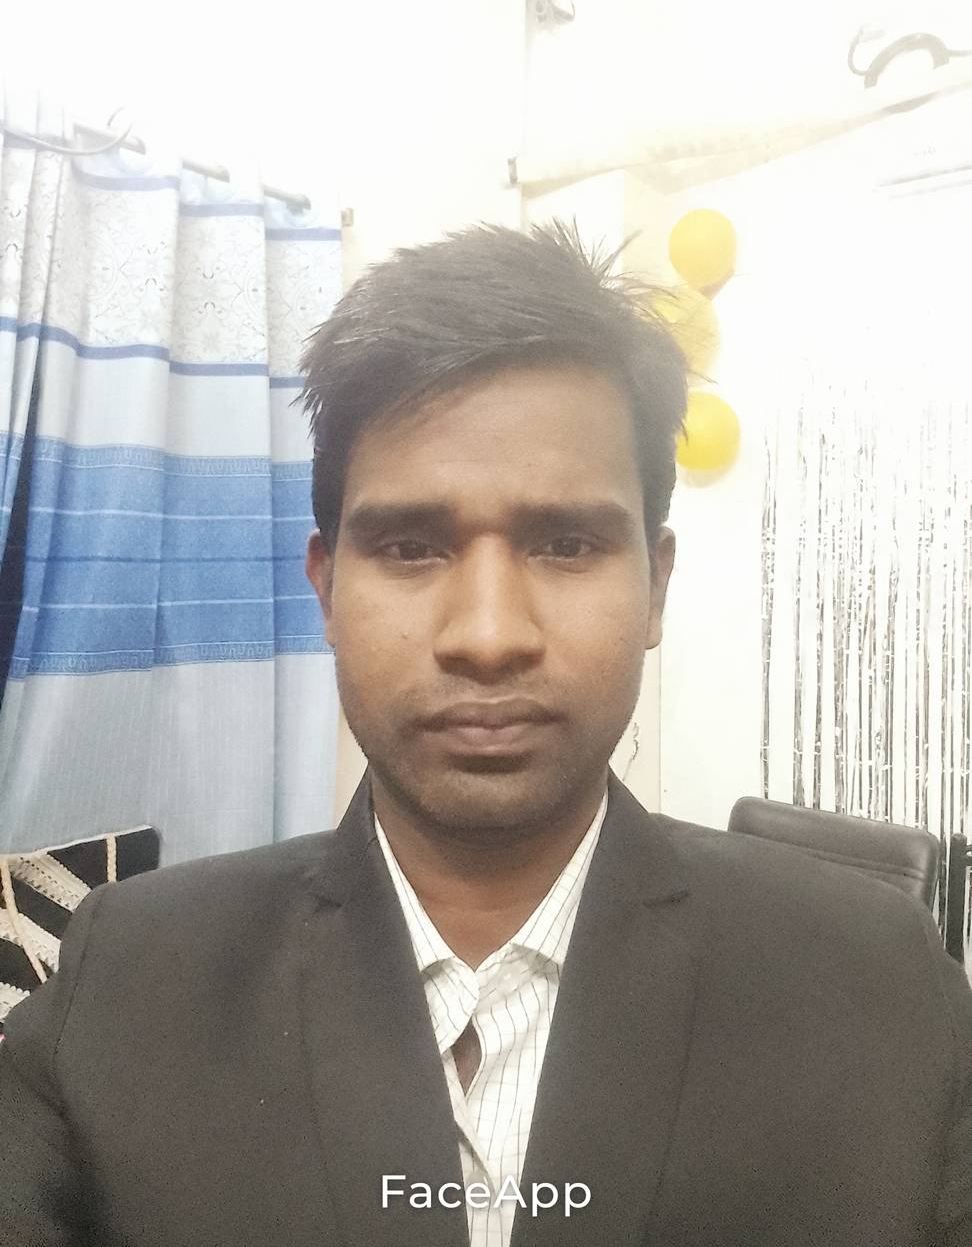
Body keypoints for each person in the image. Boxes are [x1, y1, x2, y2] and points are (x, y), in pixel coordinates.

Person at [1, 222, 971, 1247]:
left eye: (567, 543)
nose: (489, 634)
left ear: (656, 588)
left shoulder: (879, 989)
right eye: (411, 547)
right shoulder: (127, 982)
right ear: (326, 588)